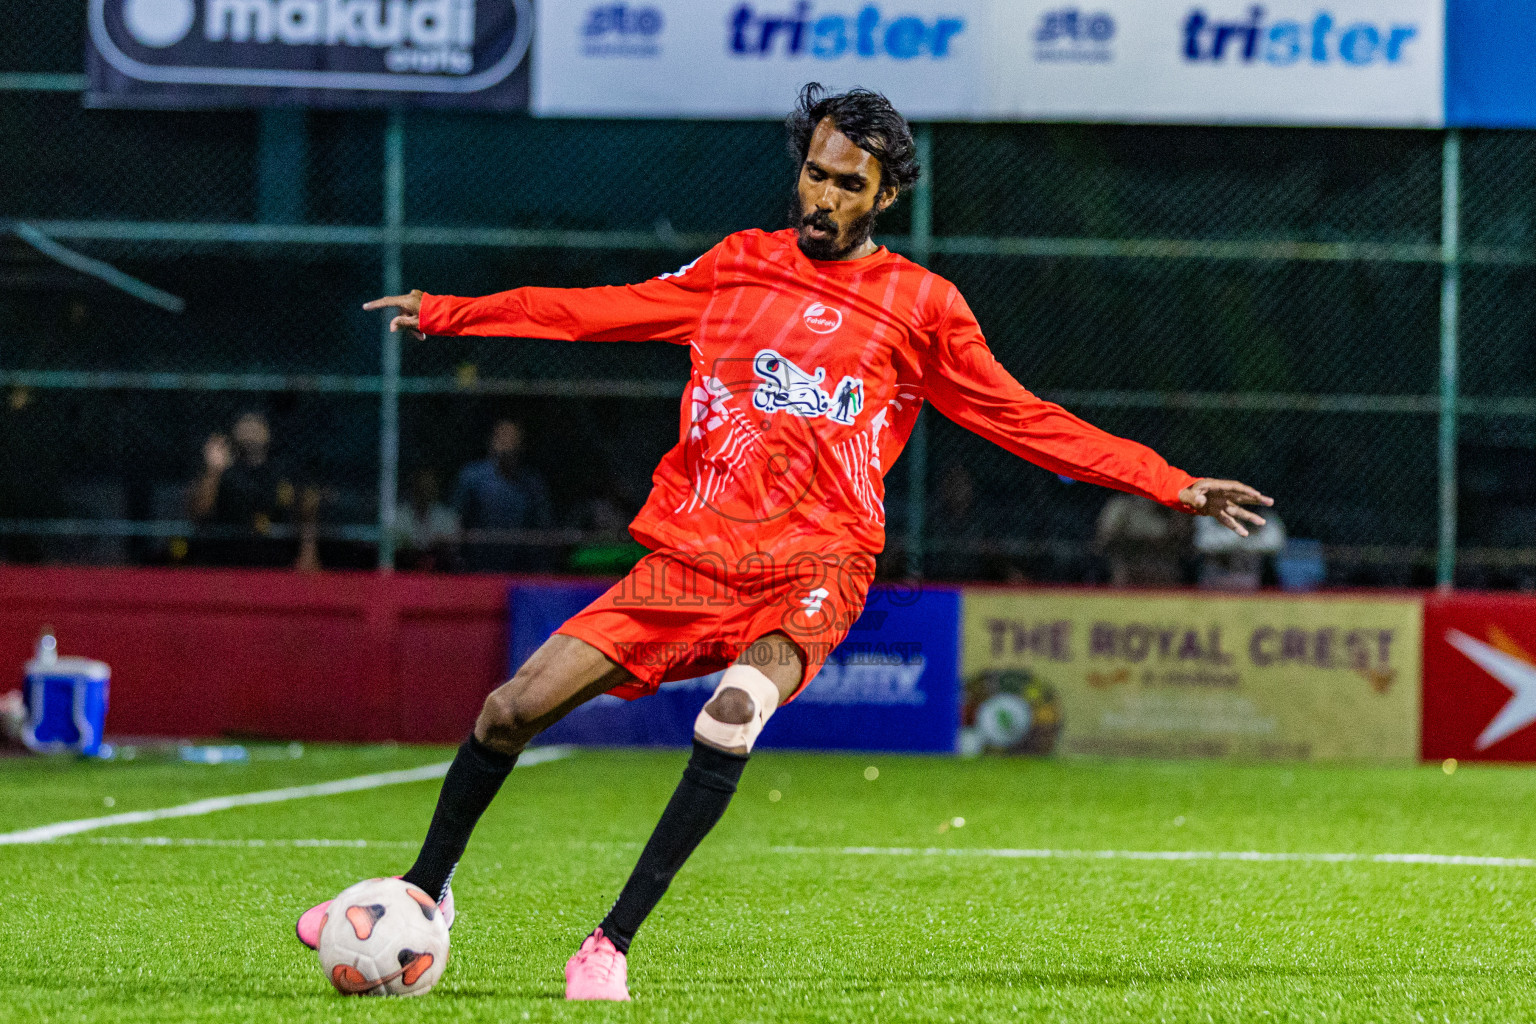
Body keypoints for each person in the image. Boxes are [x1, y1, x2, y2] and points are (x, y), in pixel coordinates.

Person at [294, 84, 1272, 1000]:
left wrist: (1171, 483)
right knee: (509, 710)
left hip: (816, 565)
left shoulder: (922, 308)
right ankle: (424, 891)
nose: (824, 192)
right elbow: (602, 310)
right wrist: (459, 313)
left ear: (885, 194)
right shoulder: (736, 267)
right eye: (816, 169)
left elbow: (1028, 419)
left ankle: (609, 942)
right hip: (690, 556)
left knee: (728, 717)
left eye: (850, 182)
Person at [187, 411, 318, 569]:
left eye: (257, 423)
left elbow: (306, 514)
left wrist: (308, 553)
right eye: (246, 423)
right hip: (226, 559)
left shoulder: (283, 471)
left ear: (268, 432)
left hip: (275, 558)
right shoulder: (223, 470)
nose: (251, 428)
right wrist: (213, 471)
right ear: (235, 431)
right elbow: (200, 511)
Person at [452, 420, 555, 571]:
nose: (507, 444)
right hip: (477, 565)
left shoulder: (532, 483)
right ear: (492, 442)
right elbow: (457, 519)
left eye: (512, 439)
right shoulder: (471, 477)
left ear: (521, 445)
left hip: (520, 567)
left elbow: (543, 525)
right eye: (502, 438)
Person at [1095, 492, 1193, 587]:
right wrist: (1138, 543)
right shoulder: (1122, 506)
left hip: (1160, 560)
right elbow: (1105, 538)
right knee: (1123, 575)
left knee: (1168, 573)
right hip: (1128, 558)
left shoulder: (1171, 509)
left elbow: (1180, 538)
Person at [394, 468, 460, 571]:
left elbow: (453, 547)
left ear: (435, 490)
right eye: (421, 488)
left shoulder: (448, 518)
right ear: (413, 488)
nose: (424, 492)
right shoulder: (397, 516)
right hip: (405, 571)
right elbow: (394, 546)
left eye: (428, 488)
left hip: (440, 574)